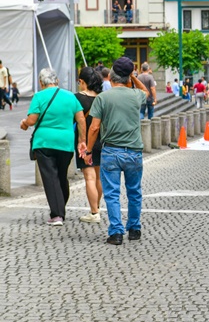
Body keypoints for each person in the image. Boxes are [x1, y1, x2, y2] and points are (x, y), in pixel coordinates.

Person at [85, 57, 149, 245]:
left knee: (112, 193)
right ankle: (135, 229)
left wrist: (89, 149)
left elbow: (94, 127)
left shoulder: (103, 98)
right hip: (134, 151)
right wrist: (133, 78)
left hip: (111, 151)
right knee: (134, 192)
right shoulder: (136, 96)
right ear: (128, 78)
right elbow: (145, 91)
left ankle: (116, 232)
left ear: (110, 77)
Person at [20, 68, 86, 225]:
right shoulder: (70, 96)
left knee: (50, 177)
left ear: (41, 83)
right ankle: (60, 207)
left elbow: (31, 120)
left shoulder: (39, 96)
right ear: (57, 81)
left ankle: (57, 214)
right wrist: (81, 140)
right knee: (61, 175)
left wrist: (24, 123)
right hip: (66, 143)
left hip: (44, 143)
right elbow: (81, 119)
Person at [74, 67, 104, 223]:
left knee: (89, 178)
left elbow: (74, 120)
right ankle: (97, 206)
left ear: (82, 82)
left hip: (85, 141)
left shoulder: (77, 98)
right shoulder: (102, 97)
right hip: (101, 140)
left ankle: (94, 213)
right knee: (98, 177)